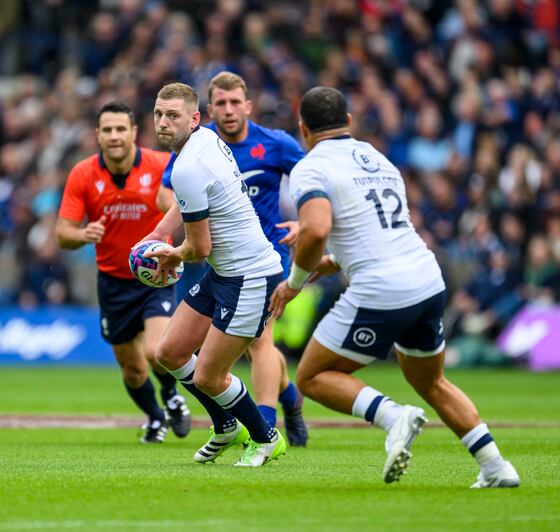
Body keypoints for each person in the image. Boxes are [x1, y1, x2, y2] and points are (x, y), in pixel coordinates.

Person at [269, 86, 520, 487]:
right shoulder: (376, 156)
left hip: (383, 287)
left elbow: (315, 229)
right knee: (431, 381)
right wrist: (335, 261)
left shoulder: (310, 167)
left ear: (303, 129)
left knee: (313, 376)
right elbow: (376, 229)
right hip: (425, 277)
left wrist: (294, 283)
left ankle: (392, 416)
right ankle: (496, 466)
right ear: (349, 121)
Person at [159, 71, 308, 446]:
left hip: (258, 262)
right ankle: (276, 406)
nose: (227, 110)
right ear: (208, 112)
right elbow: (174, 196)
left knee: (258, 347)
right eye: (220, 104)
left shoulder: (273, 144)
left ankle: (267, 428)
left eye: (234, 102)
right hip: (219, 265)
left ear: (248, 106)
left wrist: (307, 224)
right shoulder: (204, 143)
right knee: (173, 352)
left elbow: (314, 182)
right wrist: (160, 236)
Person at [56, 101, 191, 444]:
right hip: (112, 283)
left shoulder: (161, 165)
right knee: (131, 369)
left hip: (155, 276)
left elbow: (190, 204)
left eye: (121, 129)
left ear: (133, 132)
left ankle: (172, 394)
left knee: (154, 351)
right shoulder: (83, 174)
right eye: (108, 130)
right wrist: (83, 235)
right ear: (98, 135)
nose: (115, 136)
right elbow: (62, 234)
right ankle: (155, 416)